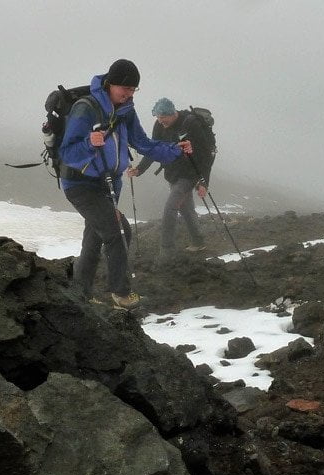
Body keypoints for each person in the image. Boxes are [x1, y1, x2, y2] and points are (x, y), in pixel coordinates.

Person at [59, 60, 192, 309]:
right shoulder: (85, 108)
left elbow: (143, 143)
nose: (129, 94)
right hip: (79, 184)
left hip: (107, 184)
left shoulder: (125, 111)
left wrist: (175, 150)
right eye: (125, 88)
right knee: (119, 231)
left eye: (133, 89)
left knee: (95, 236)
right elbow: (67, 153)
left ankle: (80, 293)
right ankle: (121, 294)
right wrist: (90, 142)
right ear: (110, 83)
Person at [127, 97, 213, 259]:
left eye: (163, 118)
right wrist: (139, 169)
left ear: (173, 113)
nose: (160, 122)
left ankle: (167, 252)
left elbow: (205, 155)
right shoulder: (159, 126)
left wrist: (203, 182)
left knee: (170, 208)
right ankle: (199, 241)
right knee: (186, 208)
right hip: (173, 174)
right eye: (158, 118)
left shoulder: (190, 124)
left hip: (189, 174)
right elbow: (154, 150)